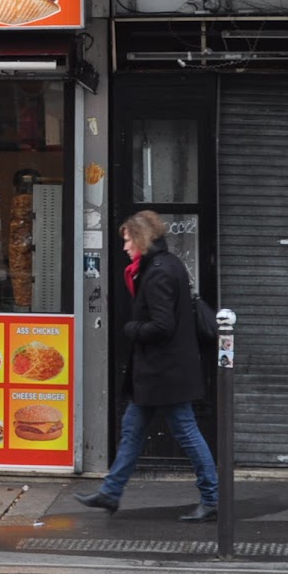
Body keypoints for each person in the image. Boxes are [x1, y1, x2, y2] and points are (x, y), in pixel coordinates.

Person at [75, 209, 218, 522]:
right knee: (132, 430)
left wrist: (131, 329)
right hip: (159, 373)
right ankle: (110, 493)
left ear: (141, 238)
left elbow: (163, 325)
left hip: (165, 373)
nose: (124, 247)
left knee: (187, 433)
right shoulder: (166, 265)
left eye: (127, 241)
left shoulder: (158, 273)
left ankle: (212, 497)